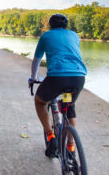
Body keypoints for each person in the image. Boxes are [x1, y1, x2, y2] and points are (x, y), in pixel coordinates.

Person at [29, 14, 87, 157]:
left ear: (50, 25)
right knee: (69, 105)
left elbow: (36, 59)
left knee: (40, 101)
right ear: (66, 25)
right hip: (78, 78)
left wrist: (33, 78)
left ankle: (50, 135)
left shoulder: (46, 36)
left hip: (57, 78)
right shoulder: (74, 35)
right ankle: (71, 145)